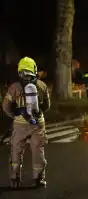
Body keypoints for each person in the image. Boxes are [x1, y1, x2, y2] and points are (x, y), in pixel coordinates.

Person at [2, 57, 51, 189]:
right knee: (38, 151)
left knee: (16, 151)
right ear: (34, 70)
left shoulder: (14, 87)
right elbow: (47, 106)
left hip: (20, 125)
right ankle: (39, 179)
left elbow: (6, 106)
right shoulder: (42, 85)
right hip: (38, 124)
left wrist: (14, 115)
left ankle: (14, 179)